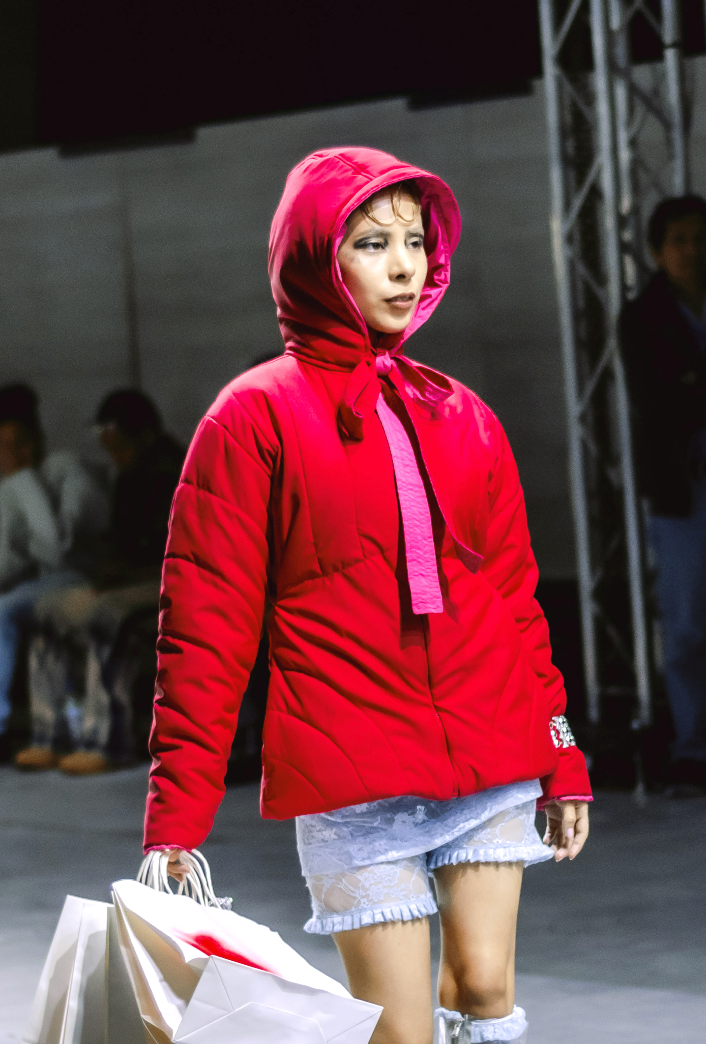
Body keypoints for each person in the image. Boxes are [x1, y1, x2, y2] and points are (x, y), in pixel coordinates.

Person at [143, 148, 591, 1044]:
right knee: (400, 1031)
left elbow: (514, 600)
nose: (404, 266)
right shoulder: (252, 417)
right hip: (353, 771)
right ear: (315, 257)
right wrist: (176, 821)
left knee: (486, 988)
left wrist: (561, 750)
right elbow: (205, 629)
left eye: (416, 242)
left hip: (490, 750)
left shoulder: (460, 412)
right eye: (373, 243)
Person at [14, 389, 184, 774]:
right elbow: (118, 542)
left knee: (107, 617)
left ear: (143, 436)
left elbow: (180, 551)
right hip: (127, 581)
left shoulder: (179, 472)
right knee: (46, 613)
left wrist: (116, 579)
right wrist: (106, 574)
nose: (114, 456)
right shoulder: (128, 476)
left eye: (119, 446)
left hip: (172, 582)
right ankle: (50, 733)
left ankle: (107, 739)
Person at [621, 195, 706, 797]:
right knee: (688, 622)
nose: (693, 251)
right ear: (657, 252)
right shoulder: (643, 317)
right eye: (680, 240)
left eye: (701, 238)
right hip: (685, 484)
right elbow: (658, 401)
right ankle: (693, 749)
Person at [0, 384, 108, 761]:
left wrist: (22, 479)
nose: (10, 453)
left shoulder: (65, 469)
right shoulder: (12, 486)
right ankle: (53, 725)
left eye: (16, 443)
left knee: (5, 610)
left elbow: (57, 550)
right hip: (38, 582)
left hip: (83, 576)